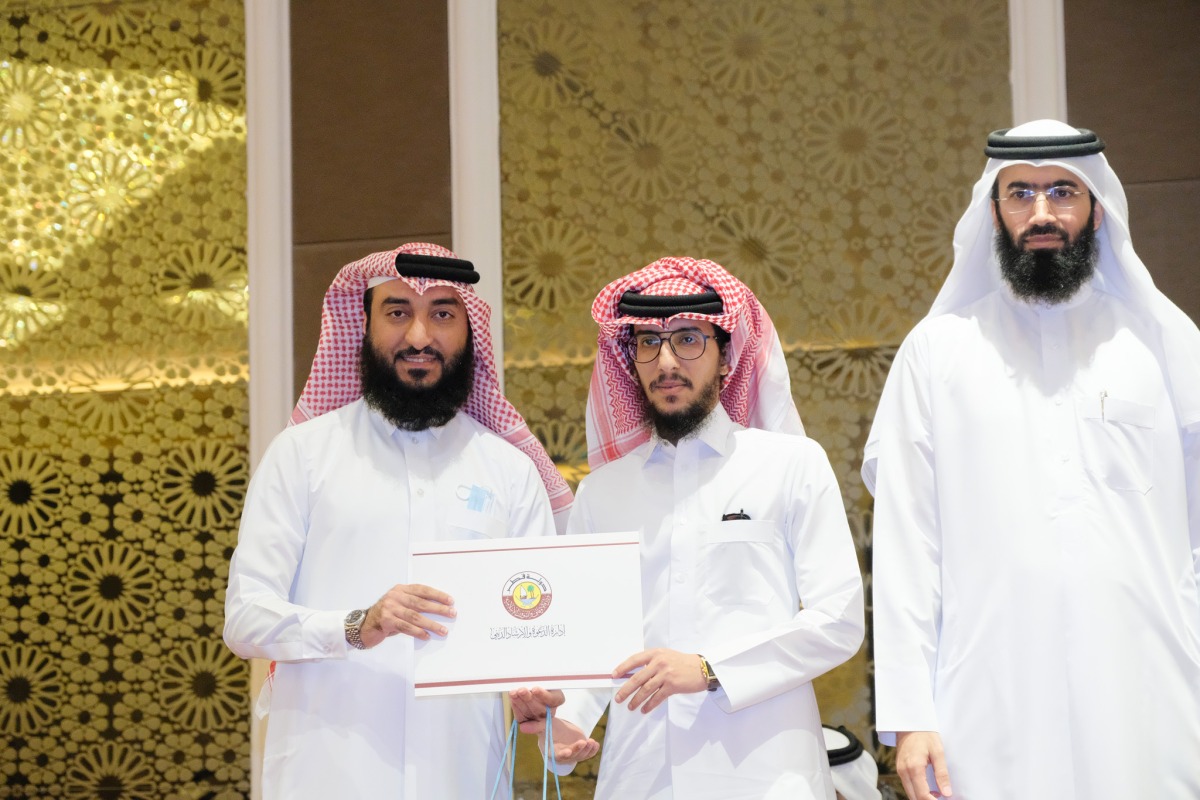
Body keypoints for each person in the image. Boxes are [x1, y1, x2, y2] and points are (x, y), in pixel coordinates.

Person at [864, 120, 1200, 800]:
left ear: (1096, 209)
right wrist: (909, 717)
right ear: (993, 210)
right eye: (1020, 194)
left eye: (1062, 192)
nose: (1041, 212)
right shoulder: (937, 352)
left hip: (1149, 686)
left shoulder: (1162, 345)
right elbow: (907, 545)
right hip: (986, 693)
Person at [223, 243, 572, 799]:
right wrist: (361, 626)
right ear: (363, 326)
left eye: (441, 313)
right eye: (397, 313)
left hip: (462, 776)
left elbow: (536, 630)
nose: (418, 337)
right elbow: (245, 618)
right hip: (328, 774)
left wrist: (545, 704)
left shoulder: (509, 471)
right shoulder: (302, 455)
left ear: (468, 332)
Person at [513, 257, 865, 799]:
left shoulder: (791, 464)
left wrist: (708, 668)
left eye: (688, 339)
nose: (667, 360)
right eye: (649, 342)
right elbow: (590, 639)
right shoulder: (602, 493)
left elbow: (838, 621)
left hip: (768, 775)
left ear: (726, 355)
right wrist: (568, 722)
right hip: (641, 776)